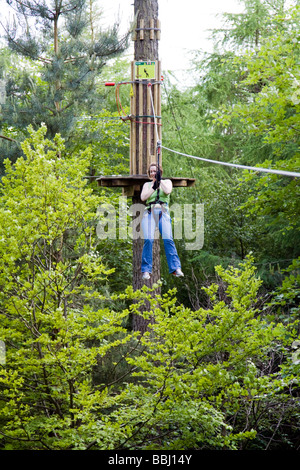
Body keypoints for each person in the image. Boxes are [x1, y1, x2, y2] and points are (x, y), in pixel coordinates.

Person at [140, 162, 184, 280]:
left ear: (159, 172)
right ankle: (146, 270)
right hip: (149, 212)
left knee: (168, 238)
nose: (153, 173)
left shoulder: (167, 182)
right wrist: (154, 186)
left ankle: (175, 268)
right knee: (148, 239)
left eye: (155, 171)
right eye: (151, 172)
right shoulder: (147, 185)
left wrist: (160, 182)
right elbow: (143, 197)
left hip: (163, 212)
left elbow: (168, 191)